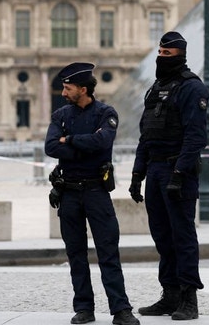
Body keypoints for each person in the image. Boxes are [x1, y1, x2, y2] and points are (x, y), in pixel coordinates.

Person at [45, 62, 140, 325]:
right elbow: (51, 147)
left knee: (108, 251)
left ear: (83, 89)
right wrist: (84, 144)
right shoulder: (61, 115)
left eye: (68, 88)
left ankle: (121, 309)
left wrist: (71, 140)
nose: (63, 93)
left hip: (97, 191)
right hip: (69, 193)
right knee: (75, 254)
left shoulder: (105, 113)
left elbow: (103, 143)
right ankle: (84, 307)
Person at [128, 31, 209, 320]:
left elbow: (195, 137)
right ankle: (170, 294)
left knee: (182, 236)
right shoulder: (155, 88)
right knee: (162, 236)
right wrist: (138, 174)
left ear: (180, 56)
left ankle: (189, 298)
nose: (161, 59)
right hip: (155, 170)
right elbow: (146, 134)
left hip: (178, 171)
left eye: (167, 55)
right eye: (159, 54)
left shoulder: (192, 88)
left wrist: (178, 173)